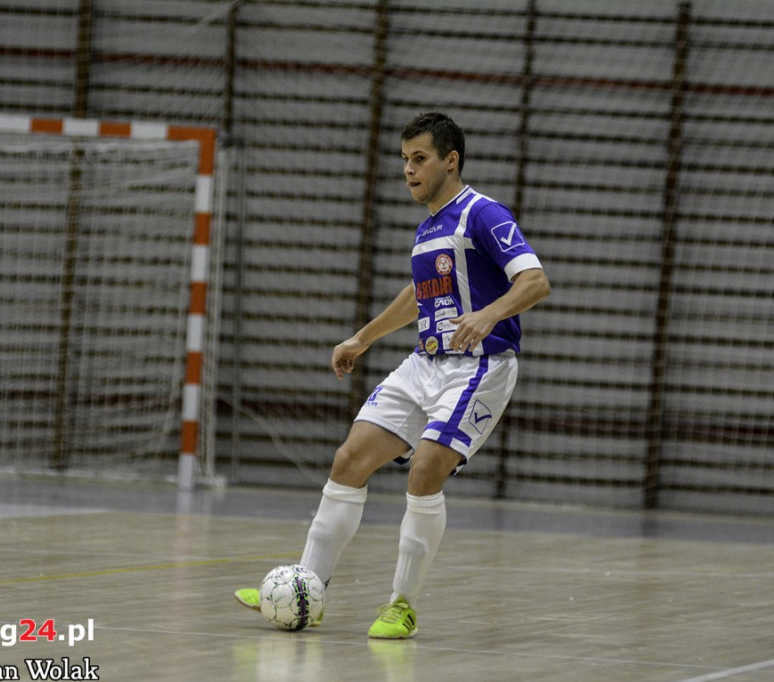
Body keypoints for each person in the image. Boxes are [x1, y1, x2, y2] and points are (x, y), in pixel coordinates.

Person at [235, 112, 551, 639]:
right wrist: (364, 337)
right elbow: (417, 295)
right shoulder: (429, 226)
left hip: (480, 366)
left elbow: (536, 281)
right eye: (404, 160)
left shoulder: (483, 213)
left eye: (419, 158)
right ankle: (305, 589)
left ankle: (401, 605)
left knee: (424, 470)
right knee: (349, 459)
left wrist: (488, 314)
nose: (408, 169)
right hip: (424, 363)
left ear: (451, 161)